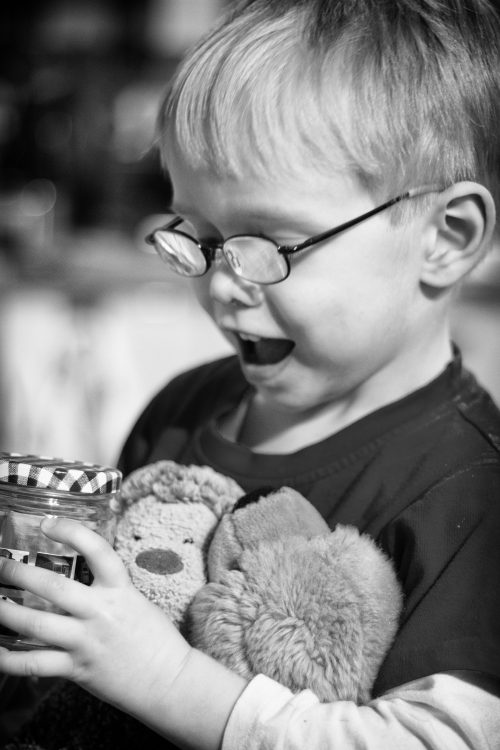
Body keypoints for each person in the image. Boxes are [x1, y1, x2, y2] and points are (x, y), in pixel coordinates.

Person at [1, 0, 500, 747]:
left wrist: (167, 680)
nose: (222, 283)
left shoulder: (470, 488)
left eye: (269, 243)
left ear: (446, 237)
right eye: (200, 237)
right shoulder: (185, 407)